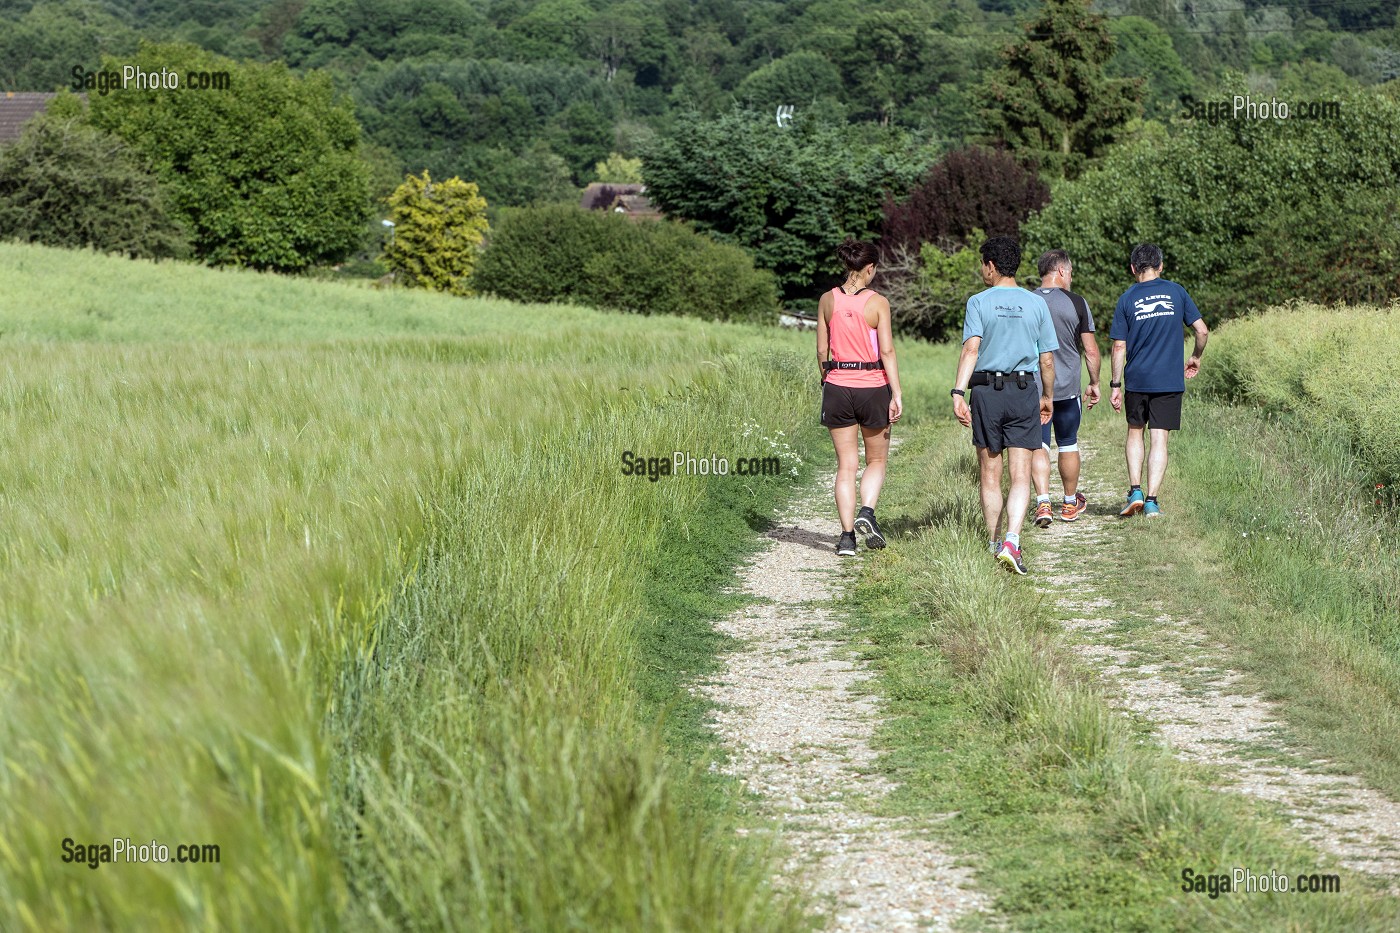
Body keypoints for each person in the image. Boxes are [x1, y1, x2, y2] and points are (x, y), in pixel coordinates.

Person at [951, 236, 1056, 575]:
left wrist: (957, 391)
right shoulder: (1036, 303)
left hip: (987, 392)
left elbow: (970, 350)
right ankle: (1013, 540)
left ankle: (993, 542)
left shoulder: (978, 302)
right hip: (1024, 389)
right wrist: (1047, 396)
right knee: (1020, 474)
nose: (982, 270)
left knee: (990, 474)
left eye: (983, 264)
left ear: (991, 266)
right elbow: (1047, 359)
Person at [1108, 243, 1209, 518]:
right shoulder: (1177, 292)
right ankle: (1152, 501)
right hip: (1169, 379)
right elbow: (1201, 330)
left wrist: (1115, 385)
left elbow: (1119, 347)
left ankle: (1135, 490)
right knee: (1159, 440)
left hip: (1138, 379)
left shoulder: (1127, 299)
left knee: (1134, 432)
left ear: (1133, 269)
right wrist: (1196, 357)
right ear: (1160, 266)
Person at [818, 239, 902, 556]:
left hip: (837, 386)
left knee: (845, 466)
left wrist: (828, 380)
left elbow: (821, 350)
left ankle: (846, 538)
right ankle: (867, 511)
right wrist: (896, 392)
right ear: (870, 268)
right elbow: (888, 351)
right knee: (876, 459)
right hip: (872, 387)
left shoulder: (828, 300)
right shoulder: (877, 302)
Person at [1030, 250, 1101, 526]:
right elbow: (1091, 351)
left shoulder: (1027, 300)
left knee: (1039, 445)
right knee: (1068, 442)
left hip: (1035, 388)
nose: (1071, 278)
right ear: (1061, 271)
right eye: (1070, 272)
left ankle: (1043, 503)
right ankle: (1070, 504)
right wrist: (1094, 383)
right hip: (1068, 388)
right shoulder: (1077, 303)